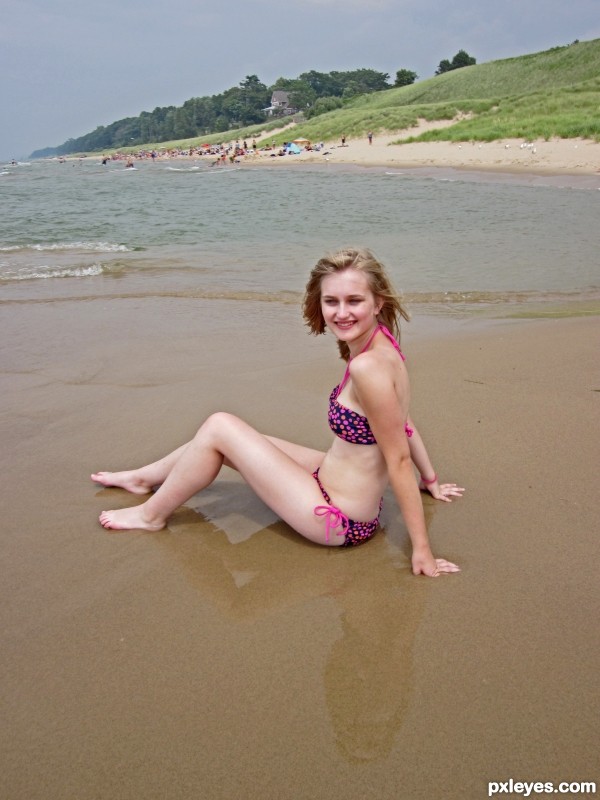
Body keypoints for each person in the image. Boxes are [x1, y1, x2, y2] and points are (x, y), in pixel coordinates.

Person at [92, 248, 463, 576]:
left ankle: (150, 515)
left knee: (220, 426)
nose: (342, 312)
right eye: (331, 301)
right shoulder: (380, 344)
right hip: (331, 480)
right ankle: (143, 478)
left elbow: (397, 459)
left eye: (354, 301)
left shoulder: (369, 368)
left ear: (378, 301)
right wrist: (430, 479)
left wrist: (423, 551)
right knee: (232, 437)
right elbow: (403, 421)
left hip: (338, 518)